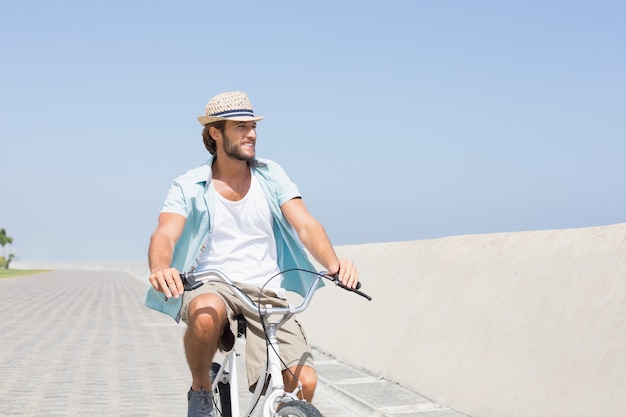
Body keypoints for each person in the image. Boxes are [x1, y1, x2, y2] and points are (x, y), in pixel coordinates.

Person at [143, 91, 359, 417]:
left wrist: (334, 263)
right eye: (241, 126)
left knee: (305, 385)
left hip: (267, 291)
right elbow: (165, 232)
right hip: (214, 284)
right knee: (204, 312)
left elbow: (305, 224)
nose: (252, 133)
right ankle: (201, 388)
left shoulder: (270, 176)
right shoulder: (189, 184)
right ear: (215, 133)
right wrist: (161, 267)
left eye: (253, 126)